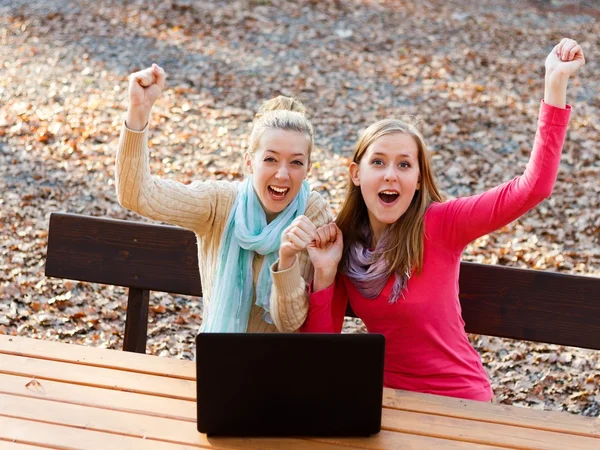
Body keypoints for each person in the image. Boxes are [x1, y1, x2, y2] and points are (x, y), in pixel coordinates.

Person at [299, 38, 585, 401]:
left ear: (418, 181)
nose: (391, 175)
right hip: (386, 401)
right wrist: (324, 274)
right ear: (355, 173)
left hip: (459, 398)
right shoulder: (344, 243)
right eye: (378, 162)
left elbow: (533, 188)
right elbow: (318, 354)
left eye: (404, 164)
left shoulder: (441, 224)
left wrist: (554, 84)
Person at [116, 64, 332, 333]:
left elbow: (289, 323)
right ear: (249, 162)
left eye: (296, 162)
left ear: (308, 169)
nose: (282, 174)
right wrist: (138, 112)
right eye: (270, 159)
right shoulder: (219, 203)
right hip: (220, 359)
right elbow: (137, 195)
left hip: (282, 367)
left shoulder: (312, 213)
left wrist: (287, 259)